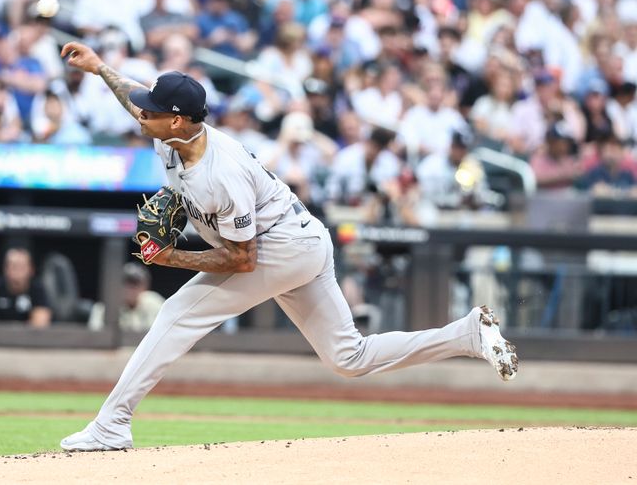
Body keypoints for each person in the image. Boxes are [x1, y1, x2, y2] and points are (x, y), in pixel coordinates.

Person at [57, 41, 519, 452]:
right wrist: (99, 68)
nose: (141, 113)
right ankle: (465, 335)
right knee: (348, 358)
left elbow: (243, 258)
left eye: (152, 110)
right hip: (304, 240)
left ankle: (112, 425)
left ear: (176, 119)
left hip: (281, 246)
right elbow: (134, 97)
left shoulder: (220, 173)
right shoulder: (175, 136)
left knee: (178, 314)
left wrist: (171, 257)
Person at [0, 248, 52, 328]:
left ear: (31, 269)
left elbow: (40, 323)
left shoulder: (37, 289)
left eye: (21, 267)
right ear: (5, 269)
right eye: (14, 266)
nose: (17, 272)